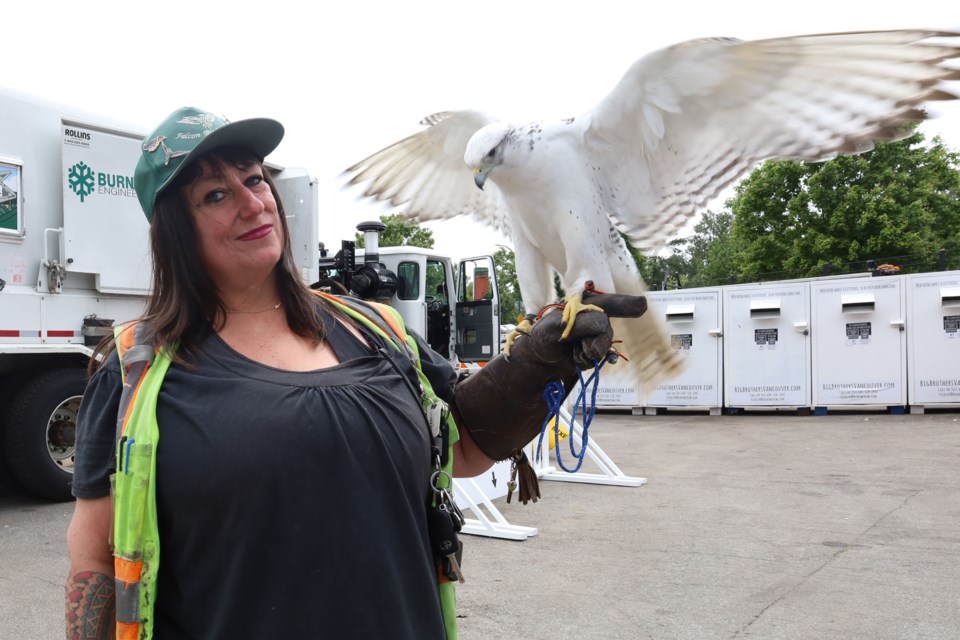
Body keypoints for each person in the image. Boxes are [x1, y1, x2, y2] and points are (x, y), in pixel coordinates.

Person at [65, 107, 647, 640]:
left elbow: (464, 446)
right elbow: (93, 559)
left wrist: (540, 363)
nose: (252, 203)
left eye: (254, 179)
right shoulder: (138, 371)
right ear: (171, 232)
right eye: (214, 195)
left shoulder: (377, 329)